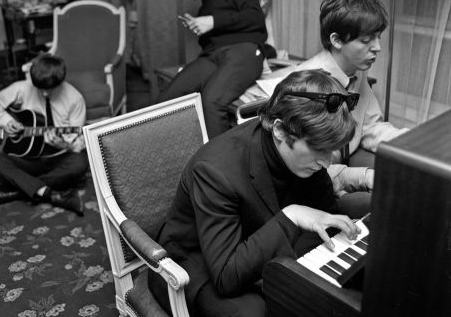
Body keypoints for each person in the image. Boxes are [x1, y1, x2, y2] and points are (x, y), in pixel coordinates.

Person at [150, 69, 373, 317]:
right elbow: (226, 276)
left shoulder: (310, 151)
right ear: (279, 129)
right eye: (319, 150)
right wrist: (292, 216)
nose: (326, 163)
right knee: (257, 312)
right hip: (198, 262)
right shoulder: (215, 171)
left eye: (331, 150)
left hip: (259, 238)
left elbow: (324, 215)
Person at [269, 0, 409, 168]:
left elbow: (370, 127)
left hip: (344, 161)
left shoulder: (356, 71)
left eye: (377, 37)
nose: (378, 47)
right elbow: (301, 156)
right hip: (315, 170)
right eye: (366, 40)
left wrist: (415, 143)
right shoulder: (308, 84)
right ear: (336, 40)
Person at [157, 0, 268, 138]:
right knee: (166, 100)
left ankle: (217, 164)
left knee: (212, 101)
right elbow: (211, 45)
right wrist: (202, 28)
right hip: (212, 56)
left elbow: (255, 17)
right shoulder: (204, 7)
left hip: (243, 49)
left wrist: (213, 21)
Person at [0, 54, 88, 216]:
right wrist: (7, 121)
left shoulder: (75, 99)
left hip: (56, 158)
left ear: (60, 81)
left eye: (50, 89)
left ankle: (21, 189)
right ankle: (50, 193)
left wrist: (63, 145)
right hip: (27, 158)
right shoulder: (22, 87)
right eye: (40, 89)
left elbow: (78, 144)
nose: (45, 94)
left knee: (80, 163)